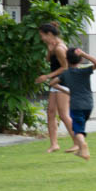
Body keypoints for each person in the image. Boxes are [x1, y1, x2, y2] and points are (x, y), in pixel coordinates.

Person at [48, 48, 96, 161]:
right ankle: (79, 150)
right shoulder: (84, 71)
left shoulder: (65, 74)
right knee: (80, 126)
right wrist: (84, 53)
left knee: (77, 130)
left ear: (66, 60)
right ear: (81, 60)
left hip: (76, 105)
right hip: (89, 104)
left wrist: (66, 91)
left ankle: (83, 146)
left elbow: (52, 83)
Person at [35, 23, 75, 153]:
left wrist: (46, 76)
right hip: (56, 82)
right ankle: (54, 144)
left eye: (42, 36)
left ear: (49, 34)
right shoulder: (54, 47)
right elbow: (49, 60)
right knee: (51, 113)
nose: (42, 38)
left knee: (63, 114)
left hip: (63, 82)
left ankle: (78, 142)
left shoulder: (60, 48)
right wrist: (49, 48)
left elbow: (65, 67)